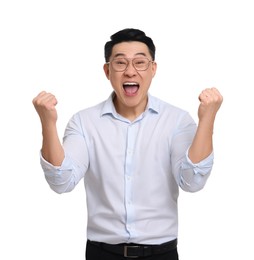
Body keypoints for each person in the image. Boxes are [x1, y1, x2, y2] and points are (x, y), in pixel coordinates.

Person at [32, 28, 223, 260]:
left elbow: (192, 181)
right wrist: (47, 123)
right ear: (107, 70)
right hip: (101, 253)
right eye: (120, 63)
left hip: (161, 253)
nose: (130, 71)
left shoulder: (177, 120)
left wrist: (208, 119)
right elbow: (61, 181)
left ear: (153, 69)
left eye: (140, 63)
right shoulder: (84, 122)